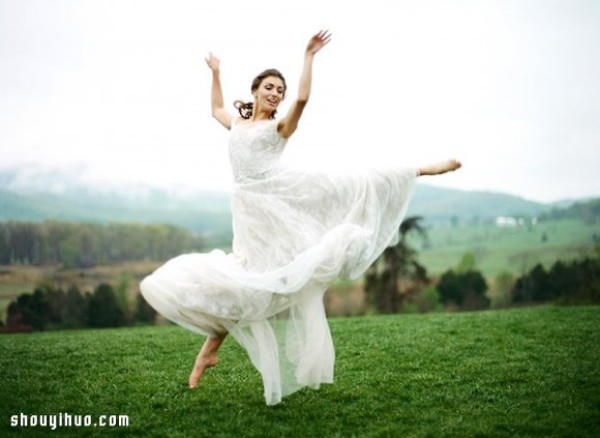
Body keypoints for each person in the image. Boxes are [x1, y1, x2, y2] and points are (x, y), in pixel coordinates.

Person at [140, 30, 461, 405]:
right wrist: (215, 72)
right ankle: (210, 349)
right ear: (256, 89)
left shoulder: (279, 129)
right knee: (244, 282)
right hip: (249, 215)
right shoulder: (239, 125)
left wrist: (308, 56)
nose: (277, 93)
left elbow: (304, 98)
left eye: (281, 89)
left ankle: (422, 169)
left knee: (350, 185)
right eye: (271, 87)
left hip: (276, 206)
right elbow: (216, 109)